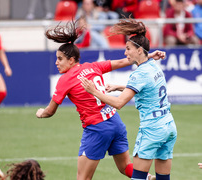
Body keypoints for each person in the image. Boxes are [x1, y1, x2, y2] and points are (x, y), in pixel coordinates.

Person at [35, 19, 164, 180]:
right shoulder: (92, 66)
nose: (56, 62)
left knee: (83, 178)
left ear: (71, 60)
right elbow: (123, 61)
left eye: (60, 59)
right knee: (125, 167)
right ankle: (149, 177)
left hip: (97, 129)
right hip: (116, 123)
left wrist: (40, 113)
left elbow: (50, 111)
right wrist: (148, 55)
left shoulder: (65, 79)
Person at [81, 17, 177, 180]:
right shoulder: (153, 65)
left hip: (152, 129)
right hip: (168, 126)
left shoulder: (138, 74)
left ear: (139, 50)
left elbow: (119, 103)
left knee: (138, 177)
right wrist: (118, 87)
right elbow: (147, 88)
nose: (125, 53)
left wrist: (94, 91)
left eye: (128, 49)